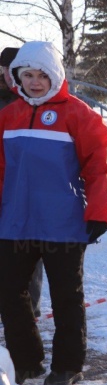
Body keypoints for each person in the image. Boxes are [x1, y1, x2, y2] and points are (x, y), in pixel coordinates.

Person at [0, 41, 107, 385]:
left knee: (66, 296)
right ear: (16, 78)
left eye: (41, 75)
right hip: (16, 222)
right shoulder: (8, 116)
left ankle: (68, 365)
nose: (34, 82)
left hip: (62, 222)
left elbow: (100, 167)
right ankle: (27, 363)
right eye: (27, 75)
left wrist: (98, 212)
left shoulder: (79, 114)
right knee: (9, 293)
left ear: (56, 75)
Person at [0, 46, 45, 319]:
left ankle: (30, 309)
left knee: (29, 252)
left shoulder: (35, 100)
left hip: (26, 189)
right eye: (8, 71)